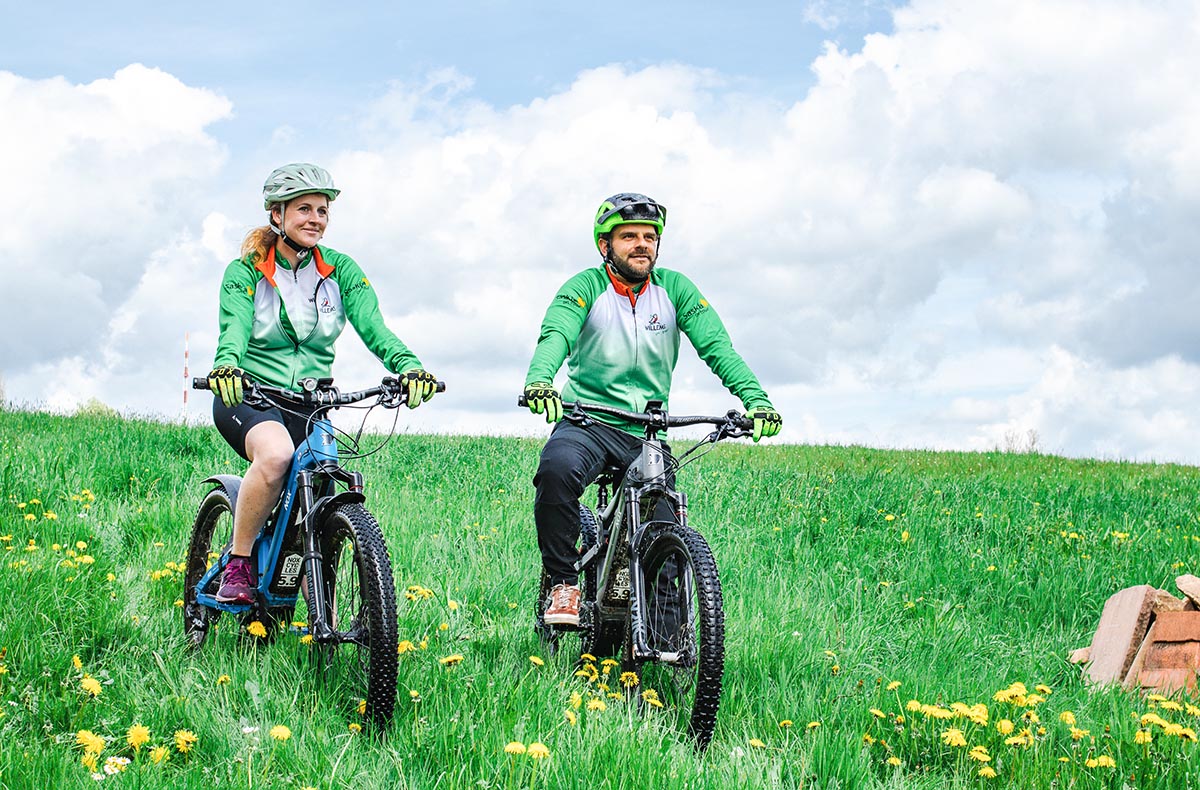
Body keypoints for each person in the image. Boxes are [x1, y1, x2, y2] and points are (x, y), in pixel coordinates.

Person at [522, 192, 782, 626]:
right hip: (587, 421)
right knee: (556, 472)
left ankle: (667, 641)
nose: (641, 244)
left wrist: (756, 401)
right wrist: (540, 381)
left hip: (647, 432)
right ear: (605, 245)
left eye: (649, 236)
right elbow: (556, 336)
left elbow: (718, 348)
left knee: (664, 534)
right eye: (629, 236)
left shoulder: (675, 289)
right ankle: (563, 583)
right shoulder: (584, 287)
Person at [205, 162, 439, 604]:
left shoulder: (341, 270)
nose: (316, 219)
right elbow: (233, 328)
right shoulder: (246, 270)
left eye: (323, 210)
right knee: (276, 456)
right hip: (250, 395)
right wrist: (227, 367)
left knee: (321, 487)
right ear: (277, 215)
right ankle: (239, 562)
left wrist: (409, 367)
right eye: (304, 209)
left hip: (312, 403)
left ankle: (319, 609)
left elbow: (374, 328)